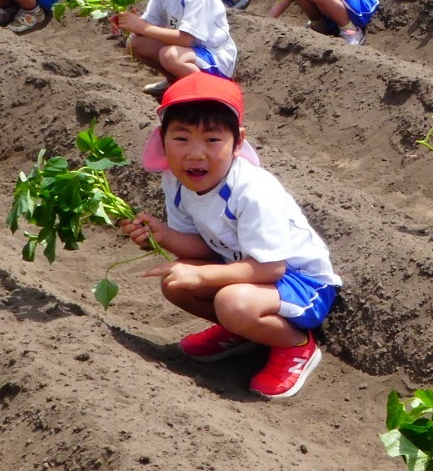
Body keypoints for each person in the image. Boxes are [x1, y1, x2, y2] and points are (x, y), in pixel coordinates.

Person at [122, 73, 339, 400]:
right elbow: (202, 245)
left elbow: (270, 269)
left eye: (212, 140)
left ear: (238, 142)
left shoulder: (251, 191)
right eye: (181, 139)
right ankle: (246, 333)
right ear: (162, 139)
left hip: (300, 282)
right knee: (176, 283)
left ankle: (294, 345)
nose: (195, 154)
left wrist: (201, 274)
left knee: (230, 301)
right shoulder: (175, 181)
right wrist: (161, 234)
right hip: (245, 271)